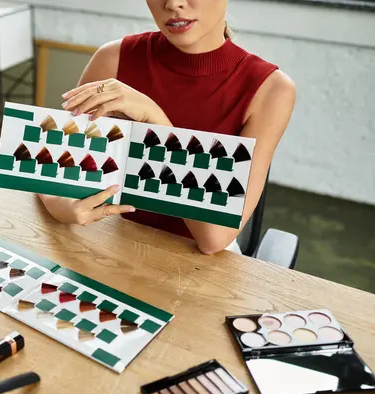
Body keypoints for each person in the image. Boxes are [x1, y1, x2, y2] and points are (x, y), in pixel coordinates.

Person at [38, 0, 296, 255]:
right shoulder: (112, 59)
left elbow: (213, 238)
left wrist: (156, 123)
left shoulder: (271, 90)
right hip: (111, 245)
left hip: (196, 268)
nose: (173, 4)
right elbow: (50, 169)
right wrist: (57, 203)